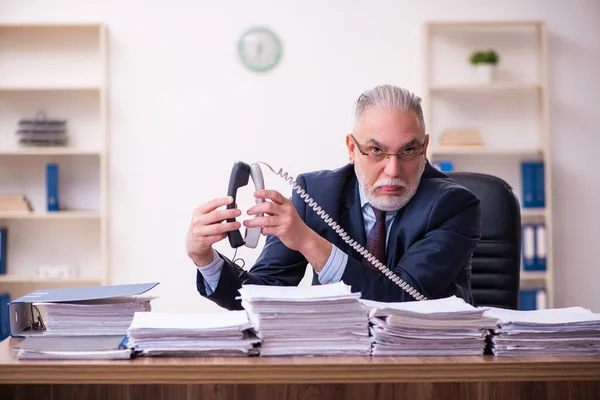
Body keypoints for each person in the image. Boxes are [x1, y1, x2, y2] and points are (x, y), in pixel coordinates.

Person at [186, 84, 481, 311]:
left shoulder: (454, 206)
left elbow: (404, 301)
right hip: (335, 357)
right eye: (376, 150)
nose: (393, 170)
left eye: (408, 151)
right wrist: (205, 259)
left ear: (425, 147)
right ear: (351, 149)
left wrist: (307, 241)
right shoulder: (315, 194)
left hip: (430, 361)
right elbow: (262, 295)